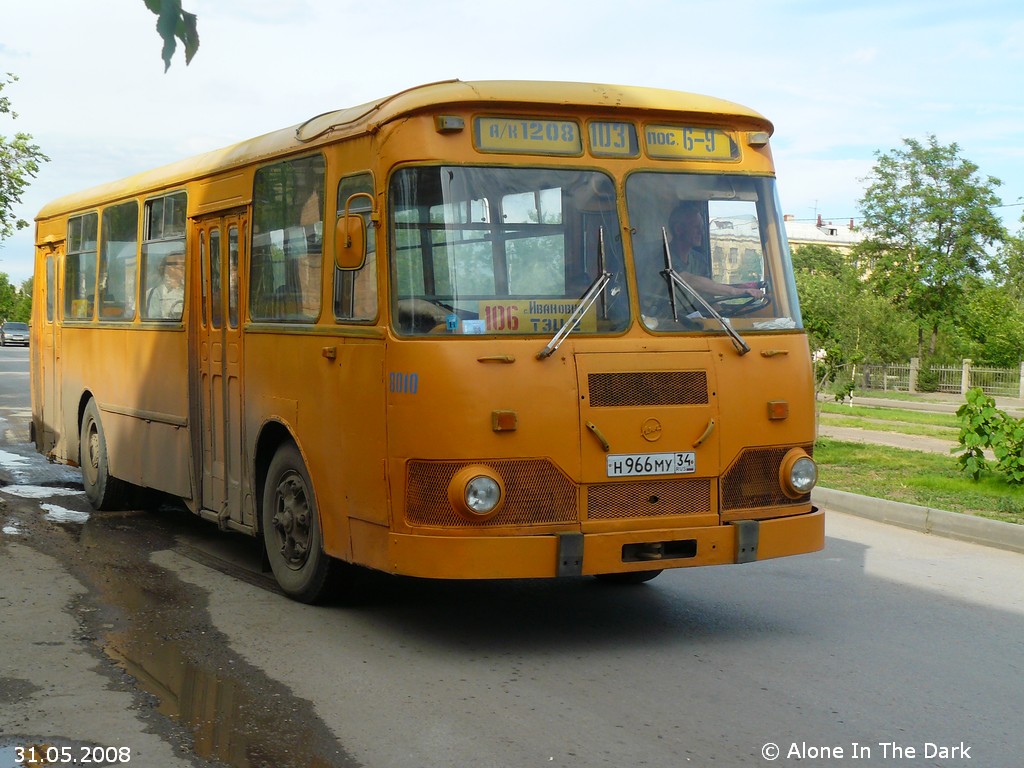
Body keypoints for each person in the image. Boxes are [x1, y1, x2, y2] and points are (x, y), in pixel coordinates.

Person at [638, 201, 763, 324]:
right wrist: (735, 291)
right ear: (678, 229)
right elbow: (687, 279)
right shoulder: (661, 257)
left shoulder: (699, 261)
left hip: (687, 322)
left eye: (702, 228)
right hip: (657, 324)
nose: (701, 232)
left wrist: (724, 320)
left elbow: (708, 298)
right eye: (696, 227)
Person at [146, 251, 185, 319]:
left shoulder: (187, 290)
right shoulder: (156, 292)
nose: (182, 268)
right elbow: (154, 319)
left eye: (183, 265)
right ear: (168, 269)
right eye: (178, 266)